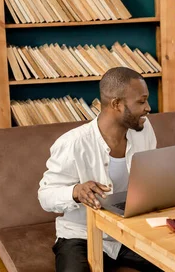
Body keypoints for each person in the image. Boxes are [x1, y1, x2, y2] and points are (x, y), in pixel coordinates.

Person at [38, 67, 161, 272]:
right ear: (116, 104)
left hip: (129, 232)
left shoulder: (144, 130)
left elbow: (152, 177)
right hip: (81, 234)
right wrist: (76, 191)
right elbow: (45, 196)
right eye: (141, 101)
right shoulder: (73, 143)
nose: (148, 108)